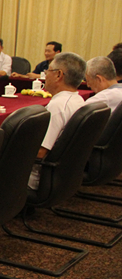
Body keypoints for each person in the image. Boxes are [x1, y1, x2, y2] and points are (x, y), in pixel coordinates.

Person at [28, 52, 87, 190]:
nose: (45, 75)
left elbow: (40, 152)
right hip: (65, 174)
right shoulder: (78, 99)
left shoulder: (58, 106)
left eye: (48, 71)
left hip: (37, 177)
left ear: (58, 75)